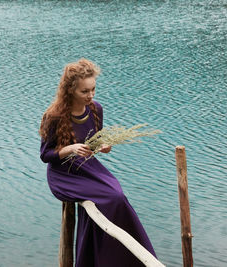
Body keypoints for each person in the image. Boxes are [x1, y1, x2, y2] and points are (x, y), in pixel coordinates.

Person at [39, 58, 156, 266]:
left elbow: (95, 142)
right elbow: (45, 155)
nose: (90, 95)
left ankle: (119, 258)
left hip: (87, 167)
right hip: (63, 175)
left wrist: (103, 147)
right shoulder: (54, 116)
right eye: (84, 91)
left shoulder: (96, 109)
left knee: (117, 194)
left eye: (93, 89)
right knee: (112, 197)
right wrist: (70, 148)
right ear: (70, 90)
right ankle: (110, 258)